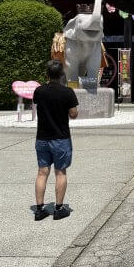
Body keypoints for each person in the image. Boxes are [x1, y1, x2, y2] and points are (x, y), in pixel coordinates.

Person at [32, 59, 79, 221]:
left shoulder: (39, 91)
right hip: (60, 138)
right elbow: (73, 114)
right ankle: (59, 209)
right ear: (62, 75)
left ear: (47, 74)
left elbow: (38, 105)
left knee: (42, 172)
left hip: (42, 138)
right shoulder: (67, 92)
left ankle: (40, 209)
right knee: (60, 172)